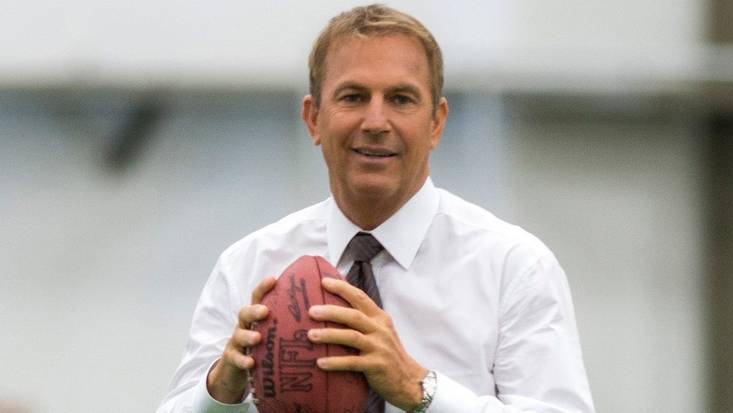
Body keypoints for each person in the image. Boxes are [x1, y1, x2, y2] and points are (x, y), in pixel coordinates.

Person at [158, 4, 594, 412]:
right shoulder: (249, 266)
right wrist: (220, 391)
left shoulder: (513, 268)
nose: (375, 122)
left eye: (401, 99)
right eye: (353, 97)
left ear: (436, 123)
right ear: (313, 119)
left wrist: (421, 390)